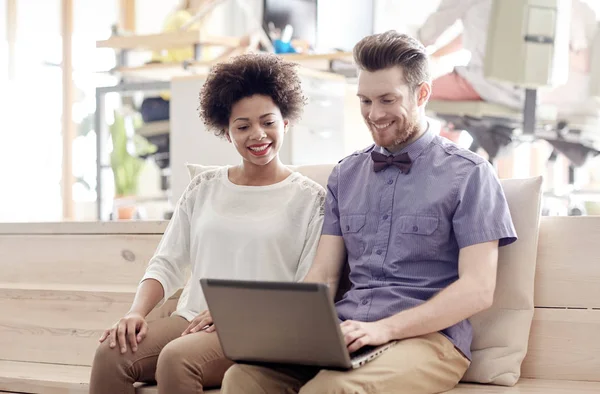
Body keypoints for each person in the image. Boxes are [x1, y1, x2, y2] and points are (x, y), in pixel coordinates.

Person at [220, 31, 517, 394]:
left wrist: (386, 329)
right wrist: (287, 329)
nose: (374, 114)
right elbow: (325, 275)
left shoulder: (471, 175)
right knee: (243, 379)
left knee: (329, 390)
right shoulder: (345, 175)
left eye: (387, 100)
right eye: (365, 101)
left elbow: (478, 289)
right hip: (348, 330)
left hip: (429, 340)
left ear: (422, 94)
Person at [89, 53, 326, 394]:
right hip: (191, 319)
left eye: (268, 122)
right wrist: (136, 312)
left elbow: (306, 289)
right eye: (243, 126)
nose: (258, 134)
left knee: (177, 359)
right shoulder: (204, 188)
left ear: (285, 122)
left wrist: (238, 311)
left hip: (257, 327)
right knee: (111, 352)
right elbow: (167, 263)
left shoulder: (310, 199)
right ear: (227, 133)